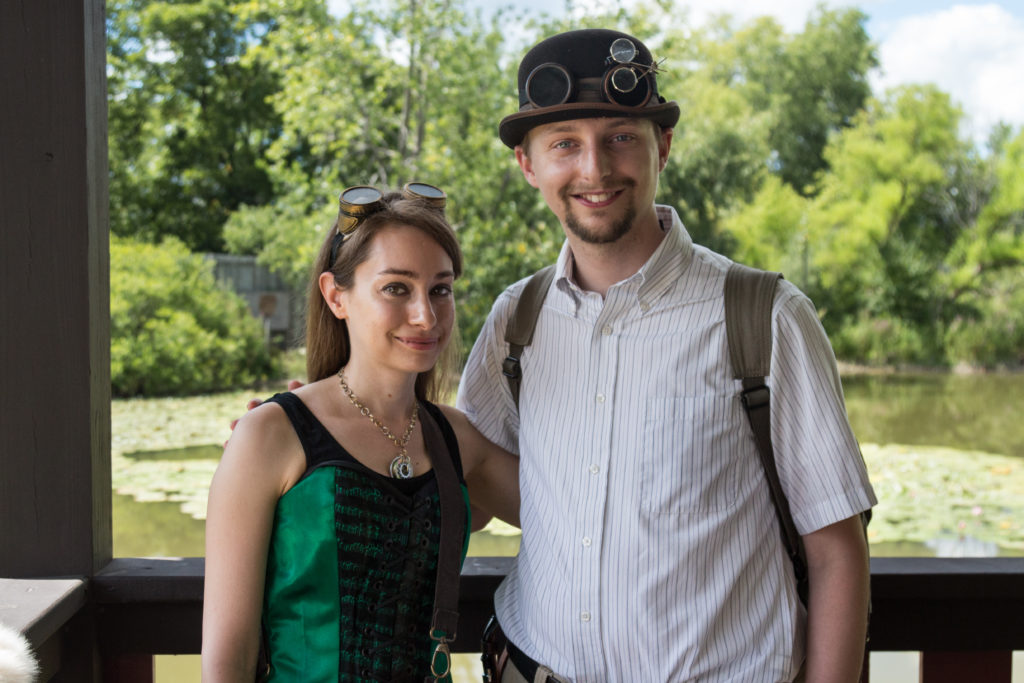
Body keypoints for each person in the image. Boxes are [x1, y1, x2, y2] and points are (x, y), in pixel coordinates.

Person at [457, 28, 877, 682]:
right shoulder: (518, 318)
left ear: (665, 147)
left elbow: (836, 554)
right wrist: (327, 417)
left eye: (621, 137)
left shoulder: (765, 315)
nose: (594, 169)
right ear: (528, 165)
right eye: (565, 143)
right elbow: (474, 490)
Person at [202, 184, 520, 682]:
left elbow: (576, 516)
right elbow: (227, 664)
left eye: (440, 288)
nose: (426, 315)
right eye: (397, 288)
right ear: (336, 295)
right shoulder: (271, 434)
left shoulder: (456, 439)